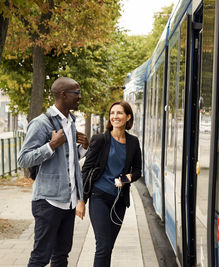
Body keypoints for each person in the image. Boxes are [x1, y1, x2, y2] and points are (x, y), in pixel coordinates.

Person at [18, 77, 89, 266]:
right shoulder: (41, 123)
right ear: (63, 95)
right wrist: (51, 145)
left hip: (69, 202)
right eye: (76, 93)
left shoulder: (70, 122)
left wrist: (84, 148)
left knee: (61, 256)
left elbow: (68, 162)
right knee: (41, 257)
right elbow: (23, 159)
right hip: (48, 202)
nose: (80, 97)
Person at [78, 100, 142, 267]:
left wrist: (126, 179)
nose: (115, 116)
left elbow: (138, 171)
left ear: (128, 117)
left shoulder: (133, 142)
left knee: (108, 247)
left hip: (119, 201)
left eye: (119, 113)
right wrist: (81, 201)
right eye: (112, 113)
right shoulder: (100, 140)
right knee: (103, 245)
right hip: (99, 197)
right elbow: (86, 170)